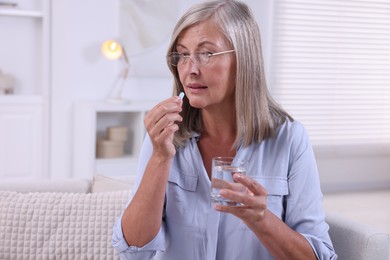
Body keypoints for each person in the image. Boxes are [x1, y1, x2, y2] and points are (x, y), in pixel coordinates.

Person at [112, 0, 337, 259]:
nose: (190, 70)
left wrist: (262, 221)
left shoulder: (290, 139)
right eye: (183, 54)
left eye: (206, 54)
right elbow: (134, 250)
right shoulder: (164, 135)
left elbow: (319, 256)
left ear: (243, 60)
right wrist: (160, 158)